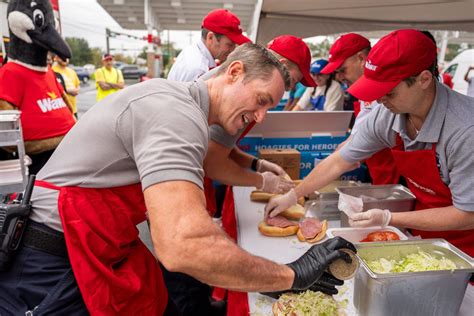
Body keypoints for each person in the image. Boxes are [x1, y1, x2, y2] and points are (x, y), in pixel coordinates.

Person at [0, 43, 355, 315]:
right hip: (51, 262)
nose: (261, 117)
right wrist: (290, 274)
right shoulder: (176, 112)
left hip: (94, 245)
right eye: (261, 100)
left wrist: (258, 168)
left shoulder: (181, 107)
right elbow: (184, 244)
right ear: (233, 72)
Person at [265, 29, 474, 258]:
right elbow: (339, 162)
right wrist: (293, 196)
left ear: (424, 79)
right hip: (426, 232)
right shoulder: (389, 114)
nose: (381, 101)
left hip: (466, 244)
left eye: (389, 93)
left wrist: (389, 218)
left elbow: (467, 214)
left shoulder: (465, 131)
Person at [0, 0, 75, 175]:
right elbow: (5, 127)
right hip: (36, 158)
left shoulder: (48, 72)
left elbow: (66, 104)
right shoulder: (11, 73)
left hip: (67, 149)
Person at [322, 33, 400, 185]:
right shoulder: (363, 92)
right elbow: (357, 135)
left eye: (342, 70)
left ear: (361, 59)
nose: (339, 77)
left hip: (397, 175)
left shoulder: (387, 92)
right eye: (337, 73)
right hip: (379, 172)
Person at [167, 8, 251, 82]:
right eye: (229, 45)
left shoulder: (193, 52)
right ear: (210, 38)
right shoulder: (198, 69)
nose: (233, 50)